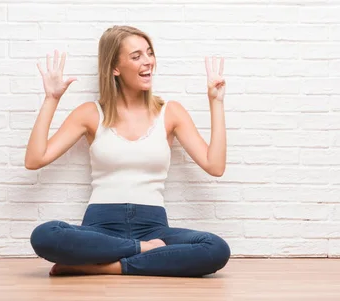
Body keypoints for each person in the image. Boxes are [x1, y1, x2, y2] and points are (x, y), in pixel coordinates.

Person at [25, 25, 230, 277]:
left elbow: (215, 166)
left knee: (215, 248)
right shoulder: (90, 113)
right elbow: (35, 160)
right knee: (45, 235)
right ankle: (142, 251)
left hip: (154, 228)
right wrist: (51, 99)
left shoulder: (171, 112)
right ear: (114, 67)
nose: (148, 62)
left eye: (149, 53)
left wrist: (216, 102)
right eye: (136, 56)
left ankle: (109, 266)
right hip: (100, 227)